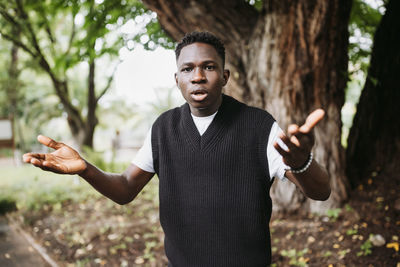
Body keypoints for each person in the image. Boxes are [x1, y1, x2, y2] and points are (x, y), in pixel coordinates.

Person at [23, 31, 330, 266]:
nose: (197, 76)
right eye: (188, 69)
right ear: (177, 79)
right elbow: (125, 189)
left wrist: (302, 162)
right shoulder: (163, 129)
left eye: (208, 67)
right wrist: (86, 169)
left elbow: (321, 192)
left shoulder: (260, 126)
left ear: (224, 77)